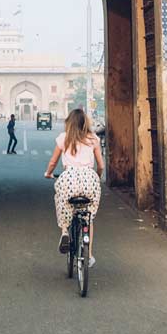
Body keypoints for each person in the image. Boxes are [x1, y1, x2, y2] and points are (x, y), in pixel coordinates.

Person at [43, 107, 103, 258]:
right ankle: (89, 255)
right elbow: (101, 165)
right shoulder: (93, 139)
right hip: (90, 179)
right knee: (88, 216)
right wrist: (97, 176)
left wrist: (48, 173)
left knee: (62, 200)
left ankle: (64, 231)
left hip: (68, 178)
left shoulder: (64, 138)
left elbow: (52, 162)